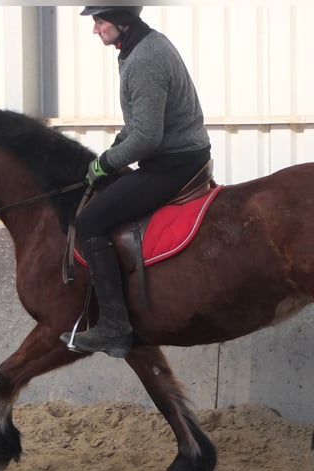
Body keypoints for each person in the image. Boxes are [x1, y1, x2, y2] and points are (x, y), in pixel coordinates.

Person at [61, 6, 212, 359]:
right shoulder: (138, 48)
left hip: (174, 164)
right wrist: (113, 149)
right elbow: (138, 122)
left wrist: (107, 162)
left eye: (99, 22)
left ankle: (114, 326)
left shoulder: (145, 58)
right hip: (172, 155)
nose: (95, 30)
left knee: (90, 221)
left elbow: (146, 136)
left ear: (121, 20)